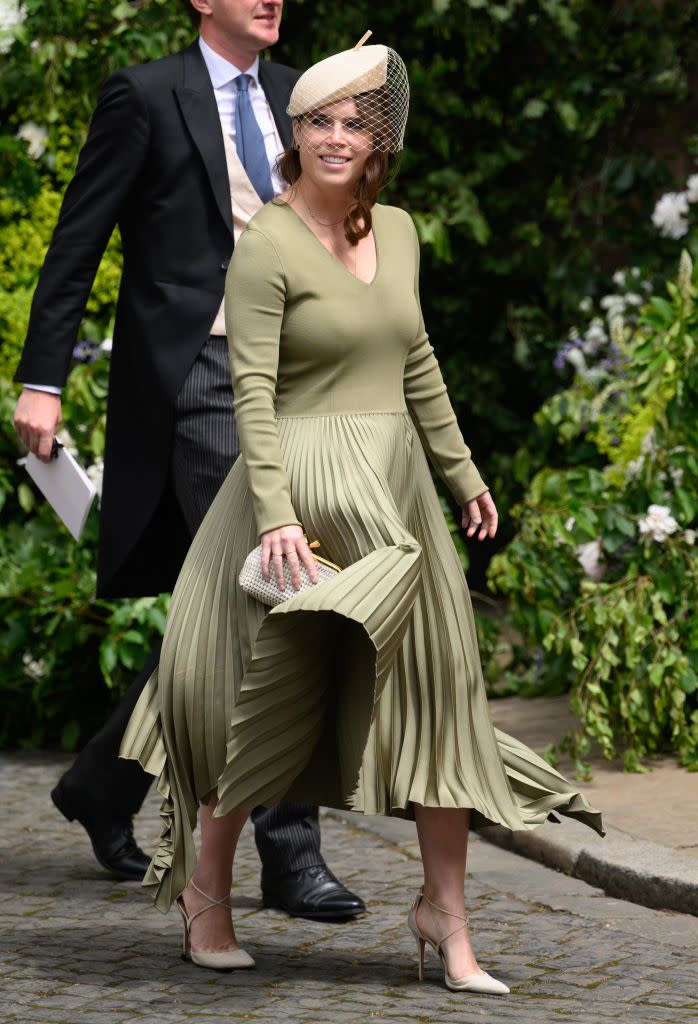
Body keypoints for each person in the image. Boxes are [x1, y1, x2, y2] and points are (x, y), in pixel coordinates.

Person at [121, 38, 603, 990]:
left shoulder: (406, 231)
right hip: (298, 498)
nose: (336, 137)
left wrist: (463, 476)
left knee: (439, 702)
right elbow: (248, 392)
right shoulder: (267, 241)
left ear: (380, 142)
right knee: (245, 700)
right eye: (318, 121)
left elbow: (415, 360)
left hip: (397, 497)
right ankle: (206, 896)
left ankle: (445, 918)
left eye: (355, 122)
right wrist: (272, 518)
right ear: (293, 135)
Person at [11, 0, 364, 921]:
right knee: (281, 583)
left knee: (217, 613)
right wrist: (42, 378)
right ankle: (291, 853)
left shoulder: (301, 100)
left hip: (301, 372)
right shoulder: (145, 96)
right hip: (199, 374)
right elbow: (77, 241)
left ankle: (102, 778)